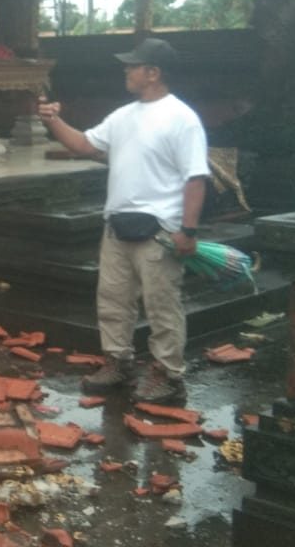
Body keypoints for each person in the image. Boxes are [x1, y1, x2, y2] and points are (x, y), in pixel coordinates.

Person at [37, 38, 208, 403]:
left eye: (133, 65)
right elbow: (85, 145)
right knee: (113, 300)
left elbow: (196, 178)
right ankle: (118, 362)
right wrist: (53, 121)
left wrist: (188, 231)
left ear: (153, 72)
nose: (126, 71)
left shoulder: (182, 119)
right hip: (117, 224)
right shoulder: (123, 116)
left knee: (162, 304)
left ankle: (168, 373)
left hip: (160, 229)